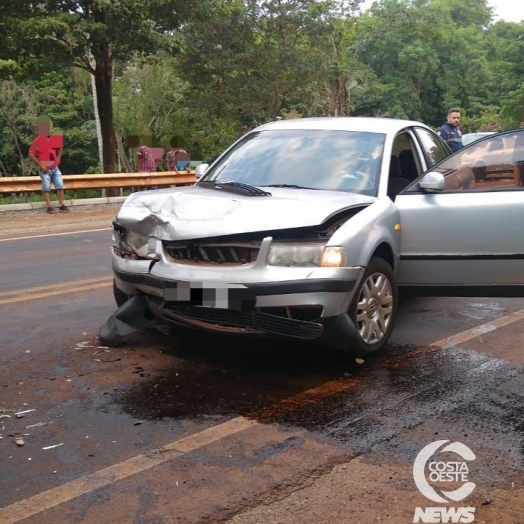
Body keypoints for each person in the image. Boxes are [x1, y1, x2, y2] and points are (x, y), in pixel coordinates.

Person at [28, 118, 69, 214]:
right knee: (46, 187)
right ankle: (49, 206)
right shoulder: (38, 140)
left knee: (60, 185)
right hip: (44, 169)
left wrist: (58, 158)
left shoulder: (54, 139)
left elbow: (60, 148)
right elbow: (31, 154)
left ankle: (61, 204)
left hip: (55, 167)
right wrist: (40, 164)